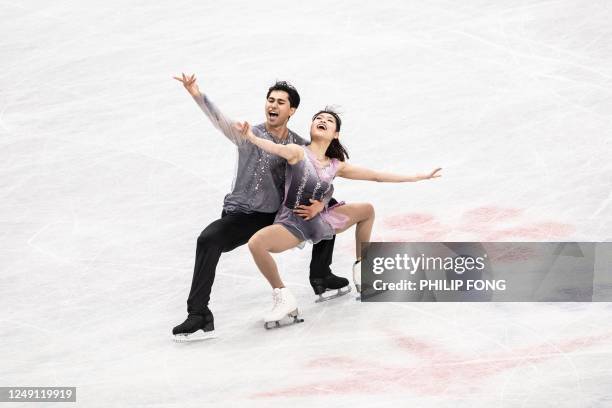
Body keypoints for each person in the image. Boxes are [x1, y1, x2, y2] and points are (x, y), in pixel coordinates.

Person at [171, 74, 348, 341]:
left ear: (292, 110)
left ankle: (321, 274)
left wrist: (320, 203)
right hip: (242, 215)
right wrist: (196, 93)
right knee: (208, 239)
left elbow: (325, 179)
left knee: (327, 209)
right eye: (270, 100)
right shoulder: (248, 134)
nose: (272, 106)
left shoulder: (299, 146)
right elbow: (220, 120)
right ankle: (199, 315)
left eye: (280, 102)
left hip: (276, 216)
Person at [233, 110, 442, 328]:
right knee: (257, 243)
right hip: (293, 222)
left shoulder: (336, 165)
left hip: (322, 219)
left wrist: (417, 177)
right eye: (318, 119)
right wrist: (252, 137)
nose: (322, 121)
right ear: (311, 127)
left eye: (329, 120)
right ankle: (284, 297)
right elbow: (275, 148)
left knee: (367, 210)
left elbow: (377, 176)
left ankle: (364, 272)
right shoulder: (298, 152)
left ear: (336, 134)